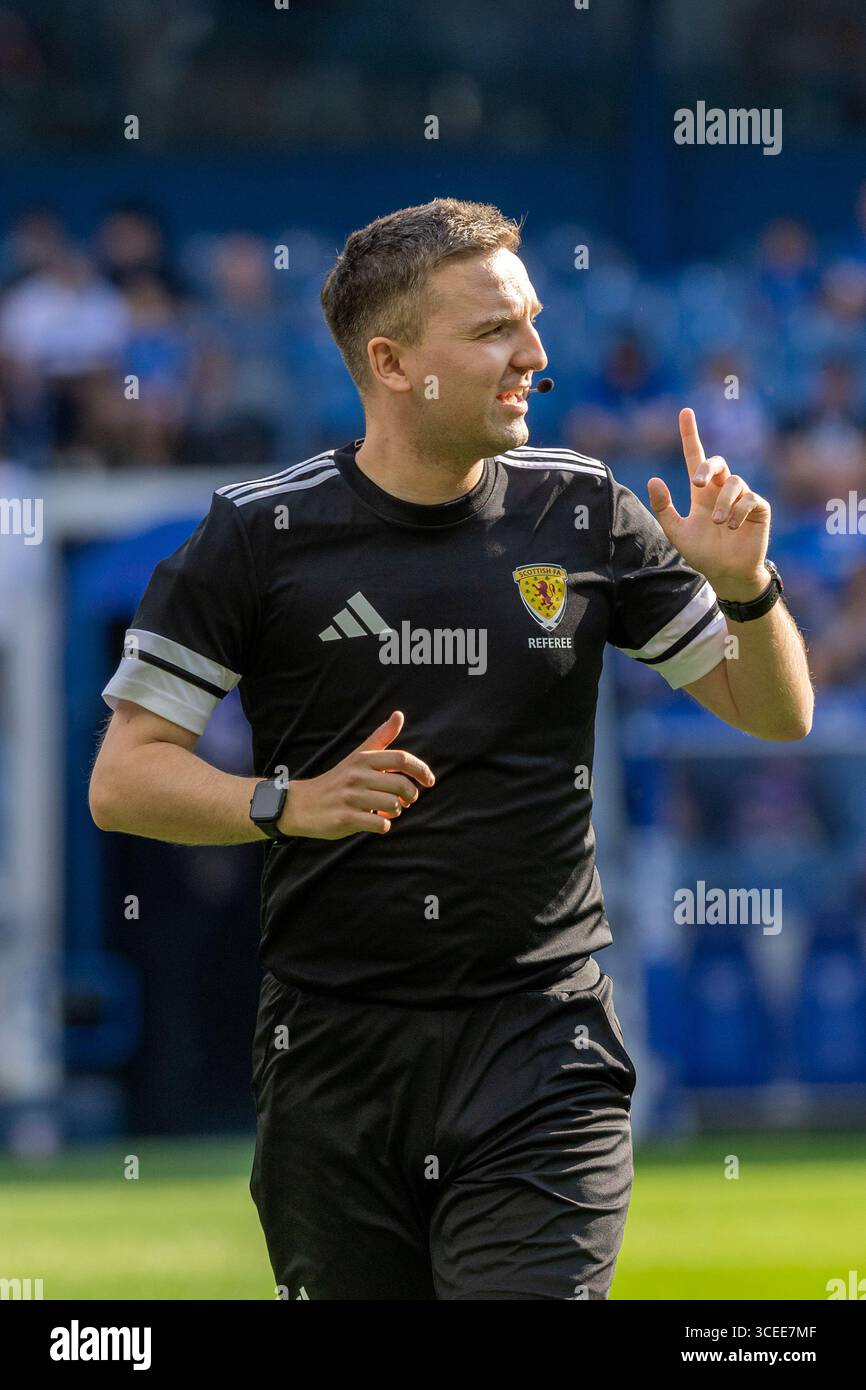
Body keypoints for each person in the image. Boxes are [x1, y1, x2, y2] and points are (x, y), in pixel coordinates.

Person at [89, 197, 813, 1300]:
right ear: (389, 360)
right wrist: (287, 800)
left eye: (526, 322)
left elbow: (773, 714)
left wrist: (745, 591)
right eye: (491, 332)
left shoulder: (585, 513)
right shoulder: (258, 534)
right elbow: (123, 775)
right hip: (331, 1052)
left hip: (542, 1041)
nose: (534, 355)